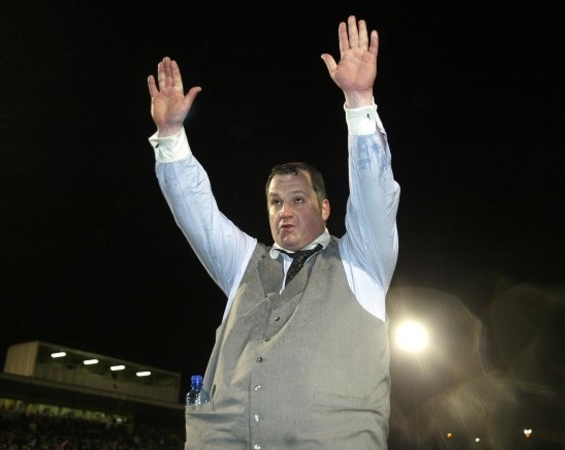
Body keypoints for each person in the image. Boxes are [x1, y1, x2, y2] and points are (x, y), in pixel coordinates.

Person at [146, 15, 400, 450]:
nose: (285, 211)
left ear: (324, 208)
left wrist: (359, 100)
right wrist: (170, 134)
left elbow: (376, 195)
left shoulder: (362, 262)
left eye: (298, 200)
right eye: (275, 202)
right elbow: (197, 213)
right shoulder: (244, 263)